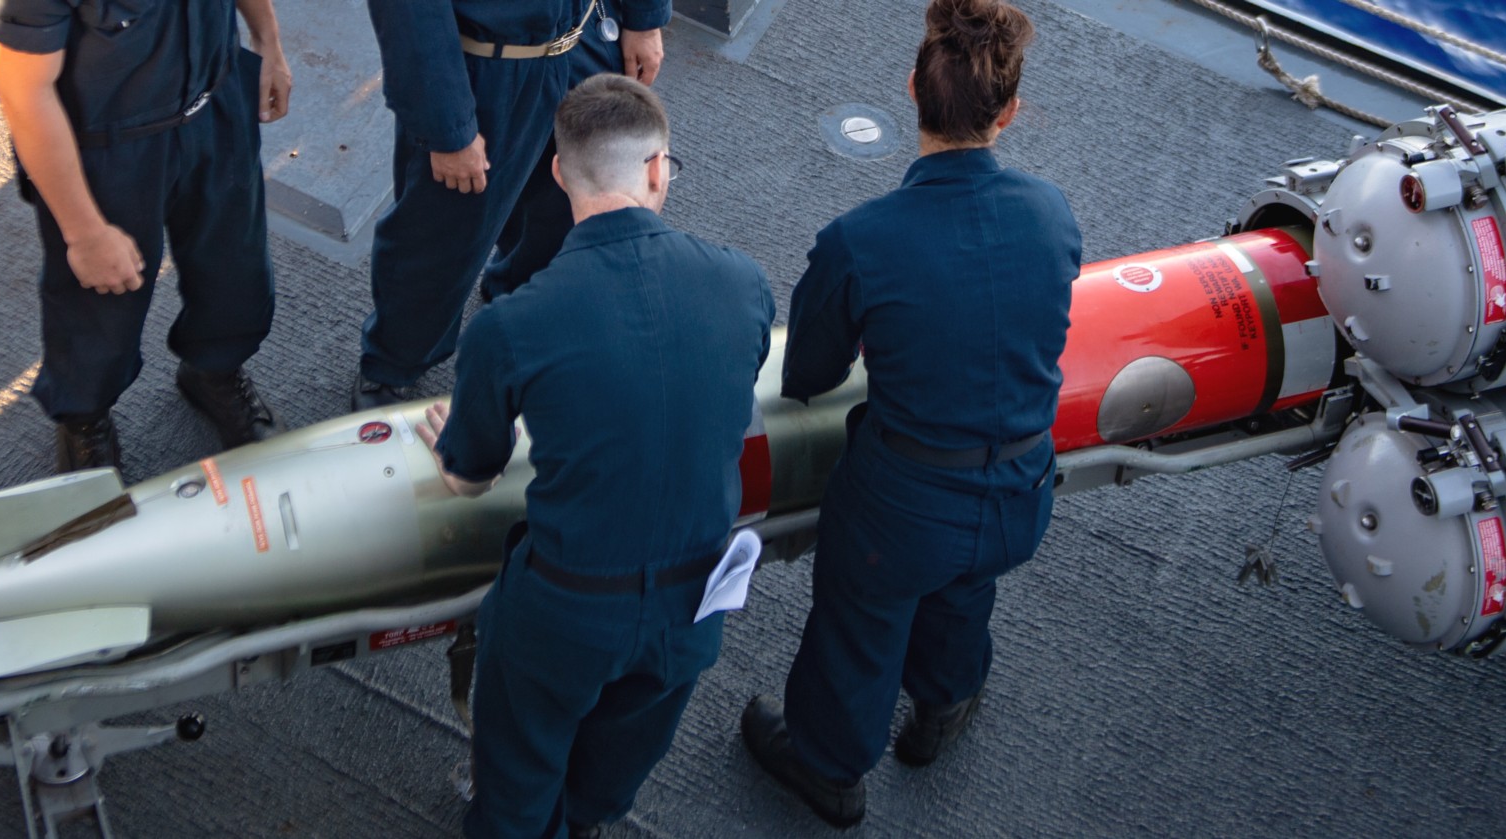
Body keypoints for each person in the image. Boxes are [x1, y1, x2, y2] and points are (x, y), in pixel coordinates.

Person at [738, 0, 1081, 828]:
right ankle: (944, 703)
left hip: (901, 509)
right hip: (1023, 491)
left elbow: (812, 372)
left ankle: (828, 768)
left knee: (858, 625)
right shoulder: (1052, 213)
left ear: (910, 90)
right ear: (1009, 112)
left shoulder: (862, 239)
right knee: (963, 590)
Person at [414, 74, 774, 839]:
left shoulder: (509, 327)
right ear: (656, 169)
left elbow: (468, 472)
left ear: (556, 172)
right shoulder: (743, 284)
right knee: (615, 763)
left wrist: (451, 439)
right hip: (691, 610)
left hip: (564, 615)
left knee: (516, 782)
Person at [0, 0, 294, 472]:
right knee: (99, 306)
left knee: (236, 271)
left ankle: (215, 371)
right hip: (107, 150)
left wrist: (268, 41)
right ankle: (85, 419)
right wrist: (85, 233)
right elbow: (26, 94)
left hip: (216, 107)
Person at [355, 0, 670, 410]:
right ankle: (393, 365)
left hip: (587, 34)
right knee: (444, 233)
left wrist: (644, 19)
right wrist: (446, 125)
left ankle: (527, 299)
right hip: (486, 69)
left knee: (572, 207)